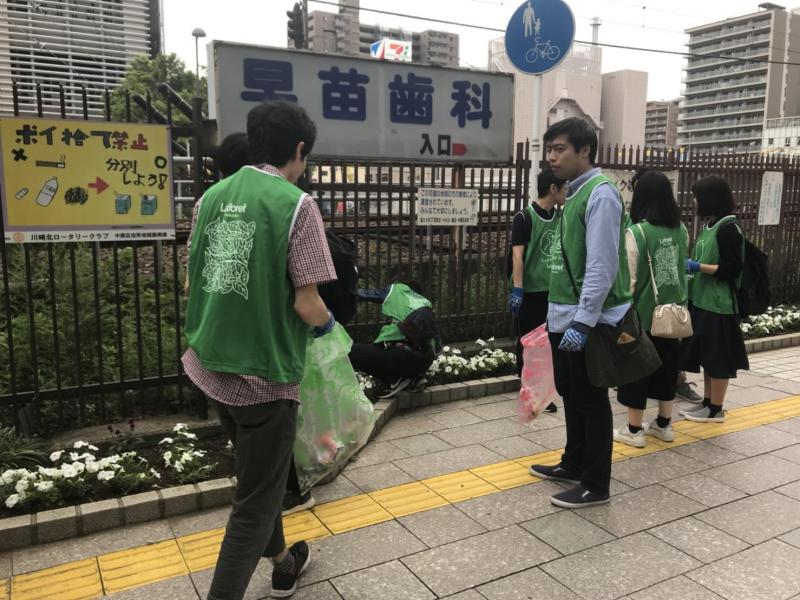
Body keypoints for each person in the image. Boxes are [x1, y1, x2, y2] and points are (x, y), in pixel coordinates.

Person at [183, 101, 337, 600]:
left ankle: (284, 561)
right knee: (252, 505)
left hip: (209, 366)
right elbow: (308, 303)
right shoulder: (297, 205)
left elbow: (192, 280)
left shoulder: (211, 198)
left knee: (260, 481)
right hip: (263, 378)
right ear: (299, 149)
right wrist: (330, 325)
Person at [528, 117, 631, 509]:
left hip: (585, 321)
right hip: (564, 316)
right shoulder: (573, 194)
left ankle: (596, 483)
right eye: (549, 150)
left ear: (584, 150)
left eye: (559, 149)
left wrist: (583, 322)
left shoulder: (600, 195)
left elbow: (601, 266)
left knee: (591, 399)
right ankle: (574, 463)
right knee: (572, 394)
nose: (551, 158)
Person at [613, 170, 688, 448]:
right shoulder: (680, 229)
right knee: (667, 369)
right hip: (673, 316)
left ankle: (634, 430)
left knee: (636, 370)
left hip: (643, 316)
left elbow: (629, 280)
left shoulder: (637, 232)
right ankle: (664, 425)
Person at [679, 175, 749, 423]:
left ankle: (716, 408)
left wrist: (698, 267)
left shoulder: (728, 229)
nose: (695, 202)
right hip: (703, 301)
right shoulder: (712, 225)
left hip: (719, 305)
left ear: (710, 199)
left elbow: (732, 269)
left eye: (697, 197)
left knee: (718, 358)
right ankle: (708, 403)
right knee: (708, 356)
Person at [507, 168, 567, 414]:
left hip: (553, 292)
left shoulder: (560, 216)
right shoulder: (524, 218)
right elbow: (517, 256)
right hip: (530, 293)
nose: (567, 192)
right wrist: (518, 289)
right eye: (564, 187)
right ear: (553, 189)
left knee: (548, 345)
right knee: (529, 344)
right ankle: (531, 395)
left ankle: (542, 392)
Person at [349, 282, 440, 399]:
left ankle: (395, 379)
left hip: (399, 356)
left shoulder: (396, 290)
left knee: (348, 351)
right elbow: (437, 345)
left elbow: (360, 294)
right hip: (426, 360)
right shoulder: (426, 304)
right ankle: (414, 377)